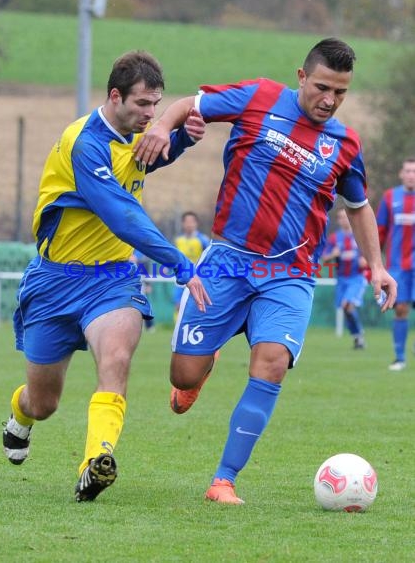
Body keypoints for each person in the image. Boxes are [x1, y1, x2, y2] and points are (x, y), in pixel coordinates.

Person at [134, 38, 397, 505]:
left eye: (340, 92)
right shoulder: (257, 98)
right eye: (321, 87)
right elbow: (188, 105)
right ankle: (205, 363)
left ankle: (224, 480)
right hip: (228, 261)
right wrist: (159, 127)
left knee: (272, 363)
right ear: (301, 76)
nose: (329, 100)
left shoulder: (345, 144)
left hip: (290, 273)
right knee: (182, 376)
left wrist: (377, 266)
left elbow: (358, 207)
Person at [2, 50, 211, 502]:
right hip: (55, 281)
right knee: (44, 402)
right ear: (115, 96)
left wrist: (183, 140)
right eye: (142, 104)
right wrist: (178, 262)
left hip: (113, 279)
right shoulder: (84, 142)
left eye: (157, 105)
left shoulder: (134, 132)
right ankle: (20, 417)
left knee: (115, 361)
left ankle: (96, 461)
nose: (152, 114)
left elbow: (144, 161)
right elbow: (120, 213)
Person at [377, 158, 415, 371]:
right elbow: (380, 230)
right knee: (401, 308)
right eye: (408, 170)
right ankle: (399, 357)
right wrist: (372, 259)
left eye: (414, 171)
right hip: (398, 264)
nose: (411, 175)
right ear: (401, 174)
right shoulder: (391, 197)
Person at [322, 207, 368, 349]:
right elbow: (324, 258)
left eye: (346, 216)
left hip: (357, 278)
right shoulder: (335, 238)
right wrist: (333, 255)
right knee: (346, 309)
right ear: (338, 220)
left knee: (347, 305)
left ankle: (359, 334)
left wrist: (366, 261)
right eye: (341, 217)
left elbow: (371, 254)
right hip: (342, 279)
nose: (344, 220)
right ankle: (357, 337)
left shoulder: (360, 235)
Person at [173, 211, 210, 318]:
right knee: (178, 305)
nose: (189, 224)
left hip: (197, 277)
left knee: (197, 304)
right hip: (180, 276)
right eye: (187, 222)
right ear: (183, 223)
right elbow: (173, 256)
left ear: (196, 223)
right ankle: (178, 329)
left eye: (192, 221)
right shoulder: (178, 240)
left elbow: (208, 257)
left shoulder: (203, 240)